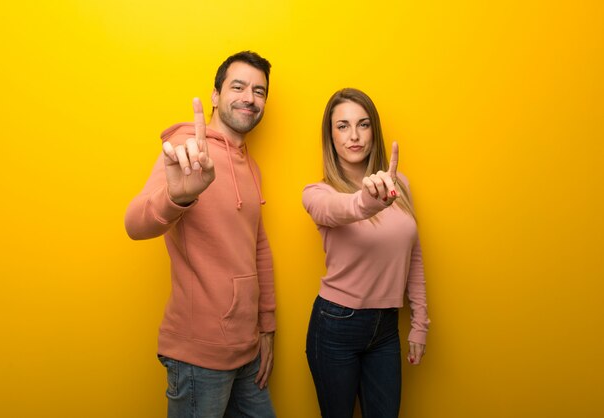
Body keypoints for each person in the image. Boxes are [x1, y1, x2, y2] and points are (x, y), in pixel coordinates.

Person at [125, 51, 276, 418]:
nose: (249, 98)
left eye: (259, 91)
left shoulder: (250, 165)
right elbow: (134, 223)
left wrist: (267, 328)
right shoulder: (186, 149)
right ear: (214, 96)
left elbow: (257, 248)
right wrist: (178, 195)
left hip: (247, 348)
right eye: (238, 86)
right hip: (198, 356)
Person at [302, 88, 430, 418]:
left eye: (363, 124)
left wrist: (420, 322)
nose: (354, 136)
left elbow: (413, 256)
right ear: (330, 136)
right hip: (336, 326)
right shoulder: (318, 192)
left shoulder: (399, 184)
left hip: (386, 328)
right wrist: (367, 202)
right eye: (342, 126)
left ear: (375, 130)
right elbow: (337, 210)